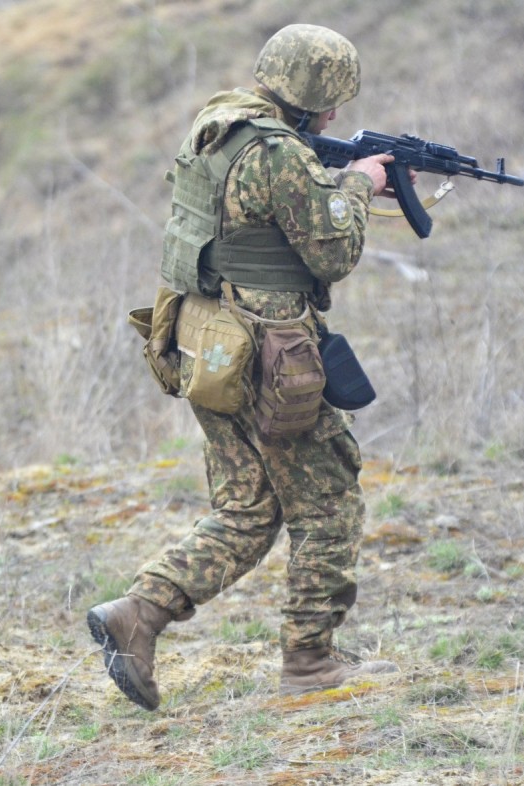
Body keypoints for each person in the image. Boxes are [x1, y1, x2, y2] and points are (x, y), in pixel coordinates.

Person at [88, 24, 408, 709]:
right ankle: (310, 664)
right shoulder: (279, 154)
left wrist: (329, 181)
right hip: (269, 360)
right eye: (332, 103)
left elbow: (255, 218)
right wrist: (356, 186)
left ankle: (137, 615)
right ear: (314, 98)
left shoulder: (218, 124)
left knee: (248, 510)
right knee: (327, 507)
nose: (335, 117)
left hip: (208, 346)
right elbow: (332, 253)